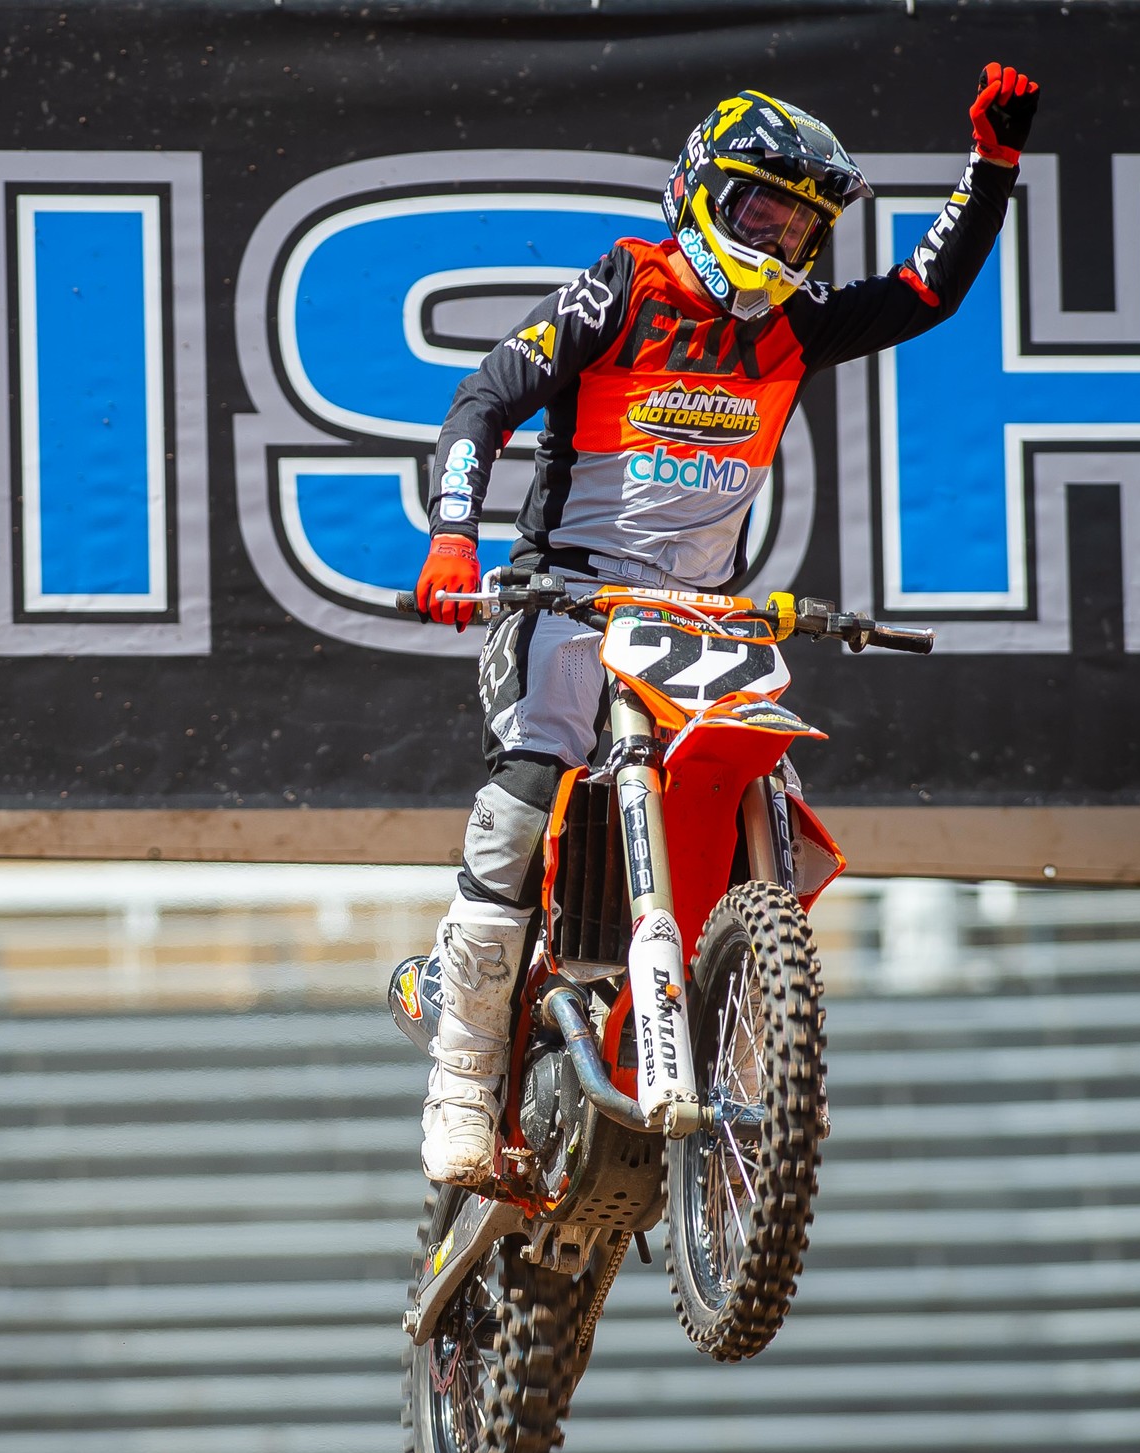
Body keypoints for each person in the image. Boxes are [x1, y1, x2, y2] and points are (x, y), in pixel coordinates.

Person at [409, 66, 1040, 1185]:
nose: (780, 238)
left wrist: (989, 170)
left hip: (698, 619)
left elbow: (924, 292)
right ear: (701, 192)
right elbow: (487, 395)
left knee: (772, 800)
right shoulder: (625, 288)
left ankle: (764, 1052)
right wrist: (454, 533)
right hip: (567, 596)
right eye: (761, 210)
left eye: (801, 223)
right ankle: (461, 1087)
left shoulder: (793, 323)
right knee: (521, 799)